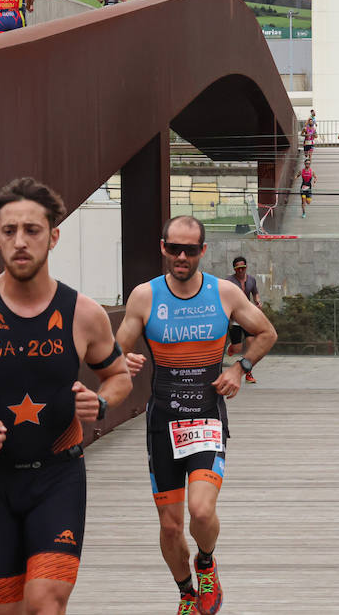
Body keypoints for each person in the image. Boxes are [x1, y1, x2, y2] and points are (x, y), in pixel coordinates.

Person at [0, 177, 132, 614]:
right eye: (9, 231)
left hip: (59, 478)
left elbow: (118, 375)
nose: (21, 241)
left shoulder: (83, 313)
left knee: (45, 603)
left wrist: (102, 402)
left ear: (53, 236)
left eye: (33, 230)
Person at [116, 216, 277, 615]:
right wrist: (124, 360)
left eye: (190, 249)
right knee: (170, 526)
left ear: (203, 250)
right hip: (162, 424)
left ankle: (206, 563)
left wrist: (240, 368)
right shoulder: (144, 297)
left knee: (201, 512)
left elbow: (267, 332)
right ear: (163, 248)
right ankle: (187, 591)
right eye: (174, 249)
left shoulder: (224, 293)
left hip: (205, 419)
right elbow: (111, 351)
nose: (182, 256)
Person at [223, 257, 261, 381]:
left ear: (246, 267)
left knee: (251, 345)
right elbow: (223, 296)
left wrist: (257, 301)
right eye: (238, 268)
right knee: (238, 349)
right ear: (234, 269)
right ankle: (233, 347)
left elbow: (255, 292)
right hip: (235, 316)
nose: (240, 270)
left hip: (248, 316)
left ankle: (248, 373)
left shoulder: (251, 280)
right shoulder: (229, 281)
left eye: (243, 268)